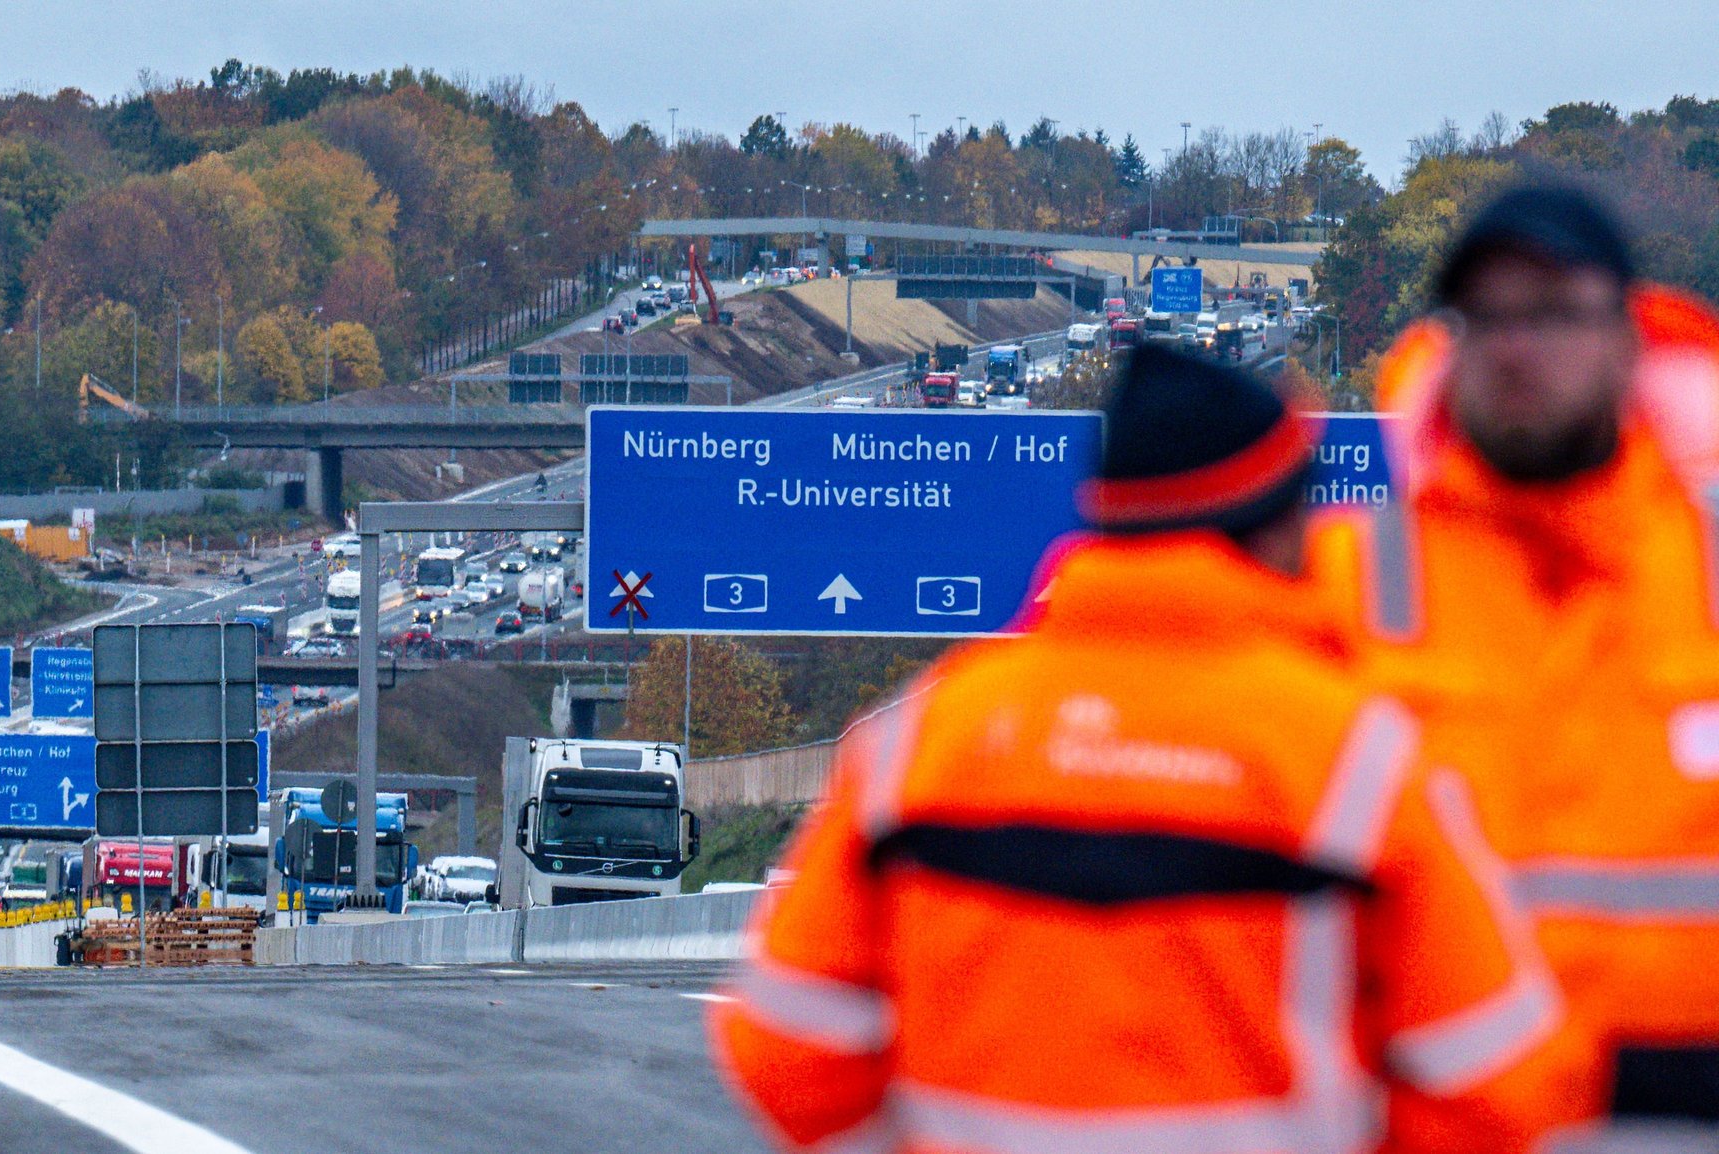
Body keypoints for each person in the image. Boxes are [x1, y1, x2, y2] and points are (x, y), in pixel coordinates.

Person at [711, 346, 1566, 1154]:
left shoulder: (924, 742)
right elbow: (1496, 1086)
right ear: (1270, 523)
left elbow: (785, 1054)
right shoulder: (1354, 759)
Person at [1311, 184, 1719, 1145]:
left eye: (1550, 312)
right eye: (1486, 316)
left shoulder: (1706, 571)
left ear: (1627, 339)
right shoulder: (1347, 582)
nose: (1514, 346)